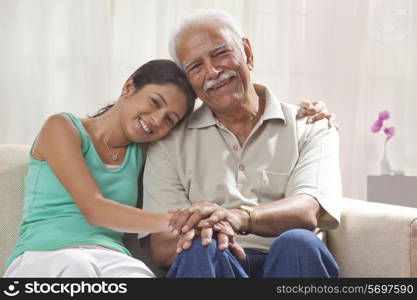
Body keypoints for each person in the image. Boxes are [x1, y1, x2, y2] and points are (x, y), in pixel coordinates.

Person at [142, 9, 342, 278]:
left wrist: (237, 217)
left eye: (220, 53)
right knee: (201, 249)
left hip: (288, 264)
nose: (213, 71)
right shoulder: (169, 143)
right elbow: (163, 248)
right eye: (196, 66)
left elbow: (308, 210)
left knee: (299, 243)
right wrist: (210, 232)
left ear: (247, 52)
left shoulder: (312, 126)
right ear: (189, 81)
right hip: (215, 264)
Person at [3, 59, 203, 277]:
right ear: (128, 87)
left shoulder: (145, 153)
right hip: (44, 255)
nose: (157, 120)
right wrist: (176, 220)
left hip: (111, 258)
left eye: (169, 119)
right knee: (77, 267)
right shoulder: (62, 127)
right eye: (155, 102)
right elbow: (95, 209)